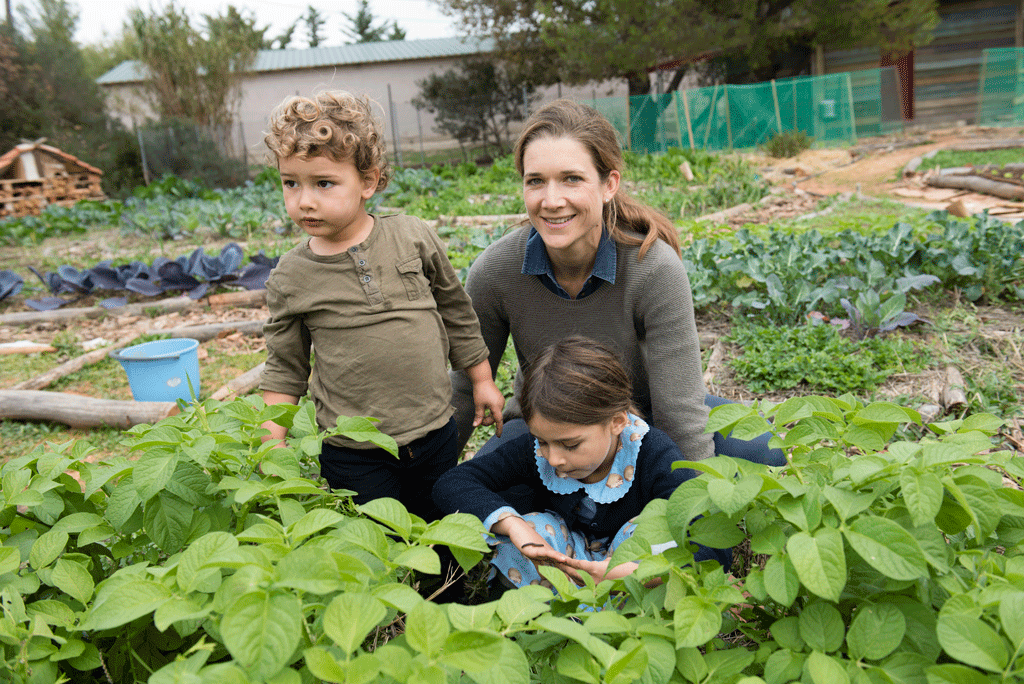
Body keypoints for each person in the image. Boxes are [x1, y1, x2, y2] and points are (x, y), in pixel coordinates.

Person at [450, 99, 783, 467]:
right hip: (549, 430)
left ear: (609, 184)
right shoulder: (496, 272)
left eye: (571, 179)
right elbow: (464, 389)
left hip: (645, 417)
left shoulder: (652, 268)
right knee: (483, 491)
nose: (552, 200)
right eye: (536, 182)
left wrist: (687, 499)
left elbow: (678, 407)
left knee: (759, 447)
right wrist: (429, 488)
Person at [259, 91, 504, 522]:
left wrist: (482, 379)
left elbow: (456, 312)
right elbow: (285, 365)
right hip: (353, 450)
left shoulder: (412, 237)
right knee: (377, 540)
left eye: (323, 183)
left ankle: (450, 589)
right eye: (290, 182)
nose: (304, 200)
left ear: (368, 182)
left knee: (441, 529)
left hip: (434, 430)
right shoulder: (292, 276)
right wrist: (271, 438)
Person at [434, 337, 729, 591]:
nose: (553, 458)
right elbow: (453, 483)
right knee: (524, 534)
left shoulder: (653, 454)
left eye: (571, 445)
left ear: (616, 422)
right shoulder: (538, 451)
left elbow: (708, 543)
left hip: (631, 578)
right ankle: (535, 622)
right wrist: (514, 525)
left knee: (655, 532)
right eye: (543, 441)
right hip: (566, 564)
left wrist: (629, 574)